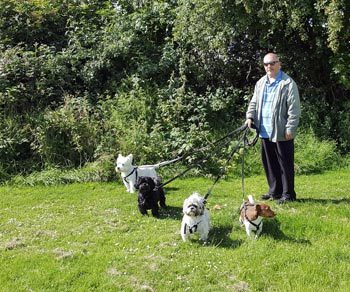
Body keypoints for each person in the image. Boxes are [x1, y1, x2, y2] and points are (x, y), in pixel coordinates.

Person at [245, 53, 301, 204]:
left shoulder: (288, 83)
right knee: (270, 164)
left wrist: (290, 128)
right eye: (266, 64)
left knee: (285, 164)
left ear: (279, 64)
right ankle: (275, 192)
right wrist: (250, 116)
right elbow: (254, 102)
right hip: (264, 131)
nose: (269, 66)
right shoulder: (261, 82)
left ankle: (288, 194)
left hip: (282, 132)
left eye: (272, 63)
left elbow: (294, 109)